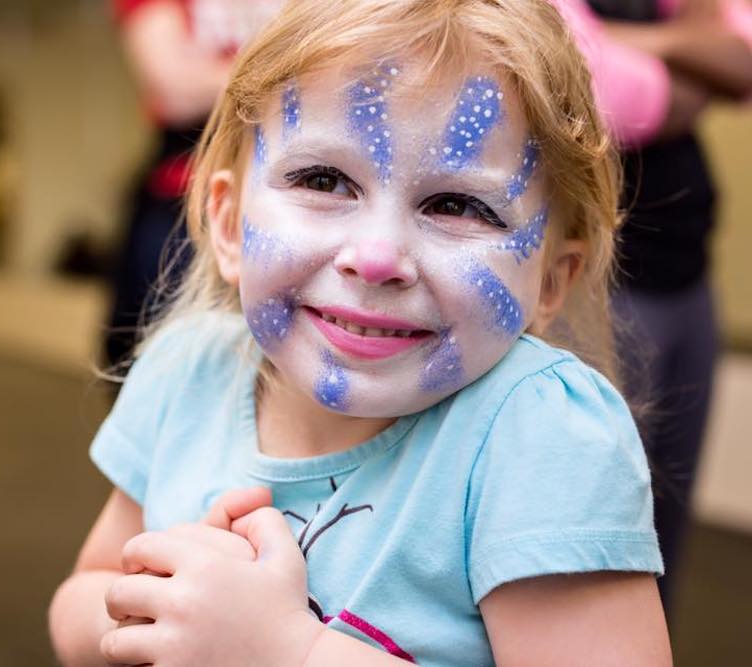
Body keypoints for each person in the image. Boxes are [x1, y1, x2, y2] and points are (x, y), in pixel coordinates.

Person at [51, 1, 672, 665]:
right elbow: (80, 597)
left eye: (457, 204)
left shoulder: (537, 439)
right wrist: (163, 606)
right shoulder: (186, 374)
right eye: (323, 179)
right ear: (229, 224)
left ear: (550, 281)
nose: (376, 257)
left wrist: (286, 650)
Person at [555, 0, 752, 617]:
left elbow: (742, 62)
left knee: (665, 525)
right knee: (594, 529)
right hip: (604, 290)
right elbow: (608, 98)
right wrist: (686, 49)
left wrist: (630, 39)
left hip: (689, 278)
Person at [105, 0, 284, 369]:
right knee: (157, 356)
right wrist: (297, 66)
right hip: (183, 201)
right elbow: (175, 88)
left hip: (290, 183)